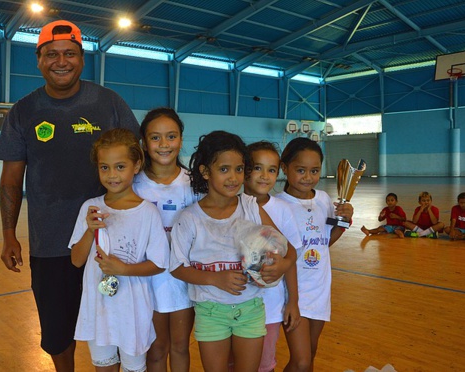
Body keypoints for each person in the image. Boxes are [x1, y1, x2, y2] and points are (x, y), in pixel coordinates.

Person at [0, 20, 140, 371]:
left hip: (112, 243)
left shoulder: (109, 103)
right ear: (39, 59)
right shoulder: (24, 111)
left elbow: (140, 161)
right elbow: (12, 180)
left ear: (82, 58)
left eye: (70, 53)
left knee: (113, 324)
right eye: (52, 54)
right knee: (58, 331)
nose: (62, 61)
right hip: (52, 243)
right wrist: (9, 235)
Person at [170, 131, 297, 372]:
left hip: (251, 309)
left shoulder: (250, 207)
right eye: (224, 169)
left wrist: (282, 265)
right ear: (205, 172)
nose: (233, 177)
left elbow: (287, 249)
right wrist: (214, 278)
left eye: (239, 169)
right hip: (210, 312)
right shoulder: (189, 219)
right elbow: (177, 267)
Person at [69, 128, 168, 372]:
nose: (112, 175)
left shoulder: (148, 213)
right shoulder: (90, 208)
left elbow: (159, 264)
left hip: (132, 310)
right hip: (98, 308)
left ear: (136, 165)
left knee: (134, 367)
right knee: (104, 367)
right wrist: (89, 231)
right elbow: (76, 260)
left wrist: (124, 269)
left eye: (120, 166)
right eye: (105, 167)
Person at [274, 137, 353, 372]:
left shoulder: (324, 200)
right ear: (284, 168)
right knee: (301, 361)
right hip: (292, 292)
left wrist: (345, 220)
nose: (308, 177)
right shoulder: (277, 205)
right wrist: (291, 299)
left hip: (319, 288)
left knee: (311, 354)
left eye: (315, 170)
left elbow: (325, 240)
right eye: (300, 170)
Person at [132, 108, 198, 372]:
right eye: (155, 138)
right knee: (157, 348)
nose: (164, 145)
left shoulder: (195, 183)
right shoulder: (134, 184)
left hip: (183, 279)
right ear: (144, 144)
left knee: (180, 345)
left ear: (181, 140)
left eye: (171, 136)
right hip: (149, 279)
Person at [242, 141, 302, 372]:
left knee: (264, 365)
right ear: (244, 169)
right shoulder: (231, 205)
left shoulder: (283, 209)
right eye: (257, 168)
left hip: (270, 306)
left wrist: (293, 302)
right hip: (236, 305)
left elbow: (291, 257)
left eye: (272, 170)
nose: (265, 176)